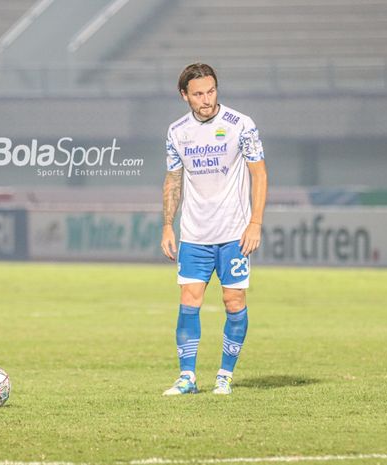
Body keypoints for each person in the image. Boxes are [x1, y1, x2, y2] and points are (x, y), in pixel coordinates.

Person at [161, 63, 268, 395]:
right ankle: (187, 378)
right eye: (198, 94)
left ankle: (225, 375)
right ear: (184, 96)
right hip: (194, 234)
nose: (206, 100)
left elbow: (259, 174)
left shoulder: (241, 125)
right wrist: (167, 225)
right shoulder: (177, 131)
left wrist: (255, 223)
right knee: (188, 300)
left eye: (210, 91)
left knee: (233, 300)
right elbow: (173, 179)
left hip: (234, 233)